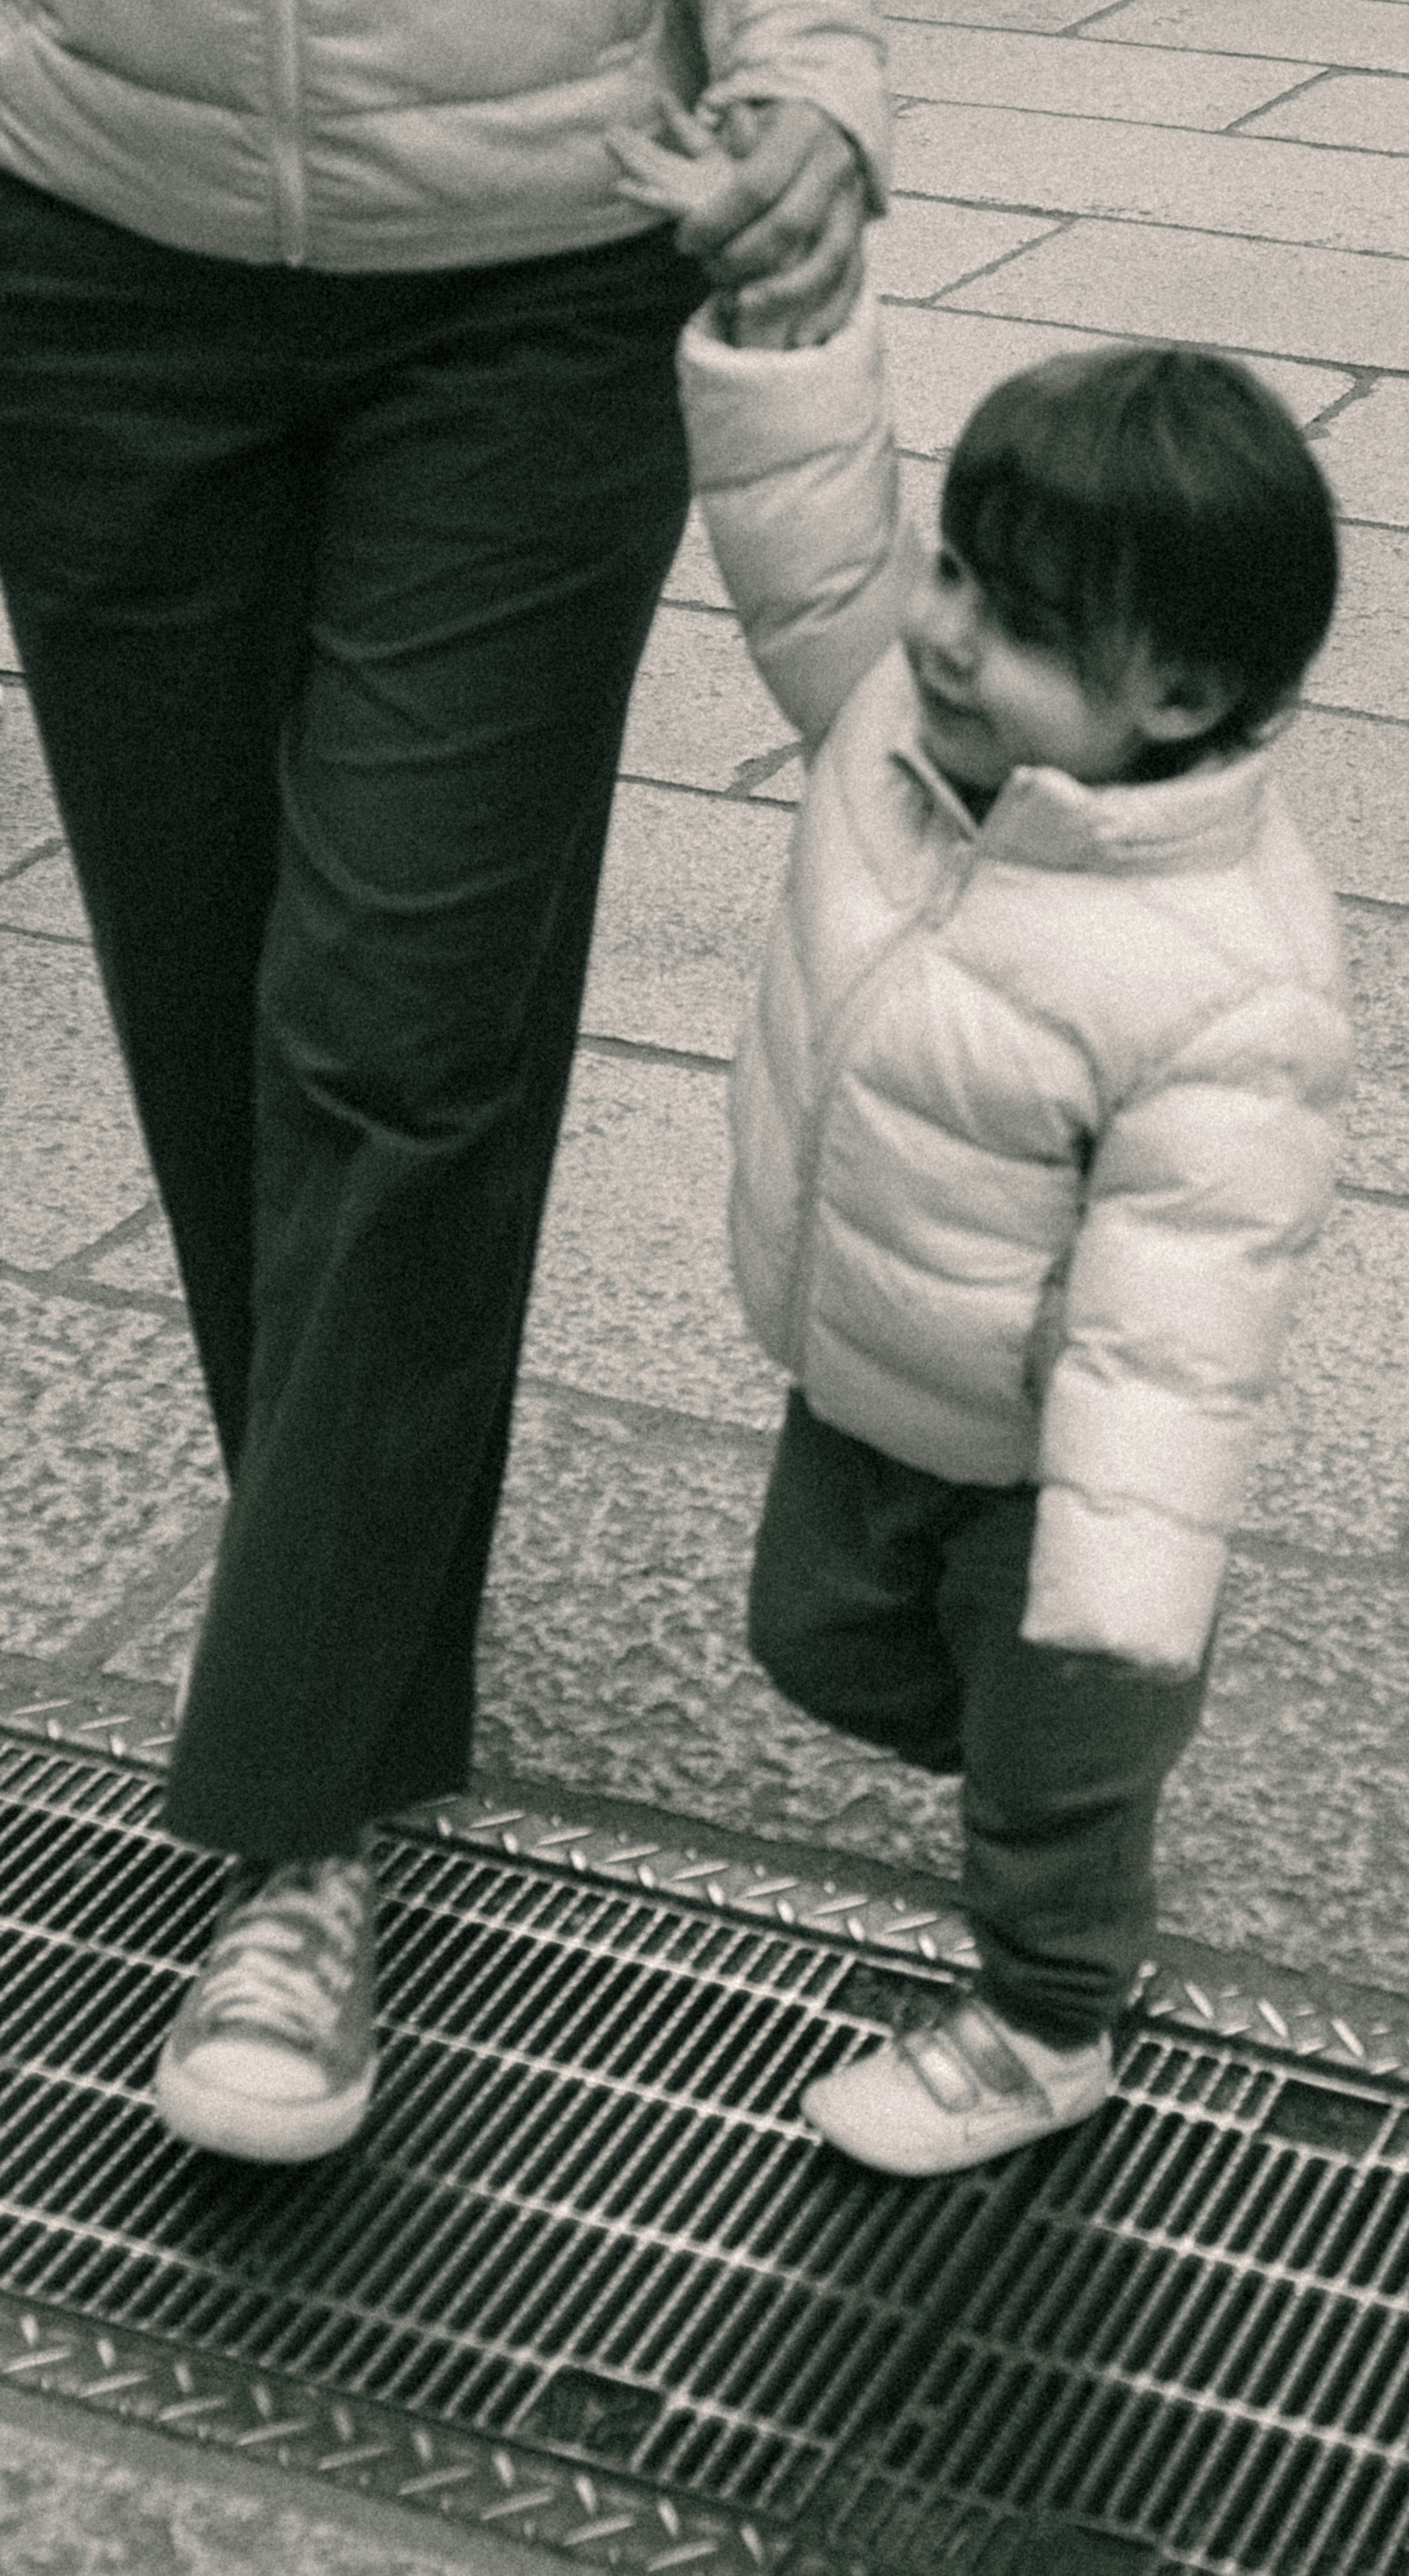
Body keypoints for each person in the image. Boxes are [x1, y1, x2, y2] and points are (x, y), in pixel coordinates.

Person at [0, 2, 891, 2165]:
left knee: (397, 1037)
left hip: (537, 278)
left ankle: (303, 1840)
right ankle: (350, 1694)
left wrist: (825, 66)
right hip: (85, 252)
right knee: (217, 1031)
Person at [626, 126, 1353, 2176]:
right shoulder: (896, 719)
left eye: (1025, 626)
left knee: (1048, 1758)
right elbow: (805, 545)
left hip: (1057, 1466)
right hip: (874, 1364)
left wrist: (1120, 1602)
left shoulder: (1227, 981)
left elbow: (1179, 1324)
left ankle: (1048, 2017)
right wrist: (785, 336)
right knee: (812, 1642)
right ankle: (1066, 1795)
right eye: (959, 573)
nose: (950, 636)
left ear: (1182, 697)